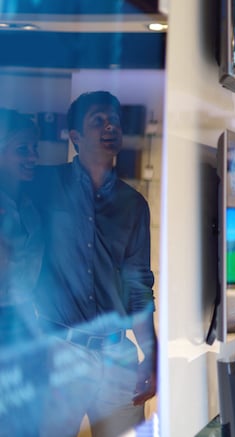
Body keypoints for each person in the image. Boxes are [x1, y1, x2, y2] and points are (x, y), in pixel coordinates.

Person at [30, 91, 157, 437]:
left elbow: (139, 285)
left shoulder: (134, 205)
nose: (109, 127)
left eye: (114, 120)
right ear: (75, 137)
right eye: (97, 121)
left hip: (119, 356)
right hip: (60, 352)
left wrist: (151, 353)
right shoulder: (43, 186)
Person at [0, 108, 43, 346]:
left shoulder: (29, 204)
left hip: (26, 315)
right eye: (22, 149)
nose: (33, 157)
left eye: (34, 148)